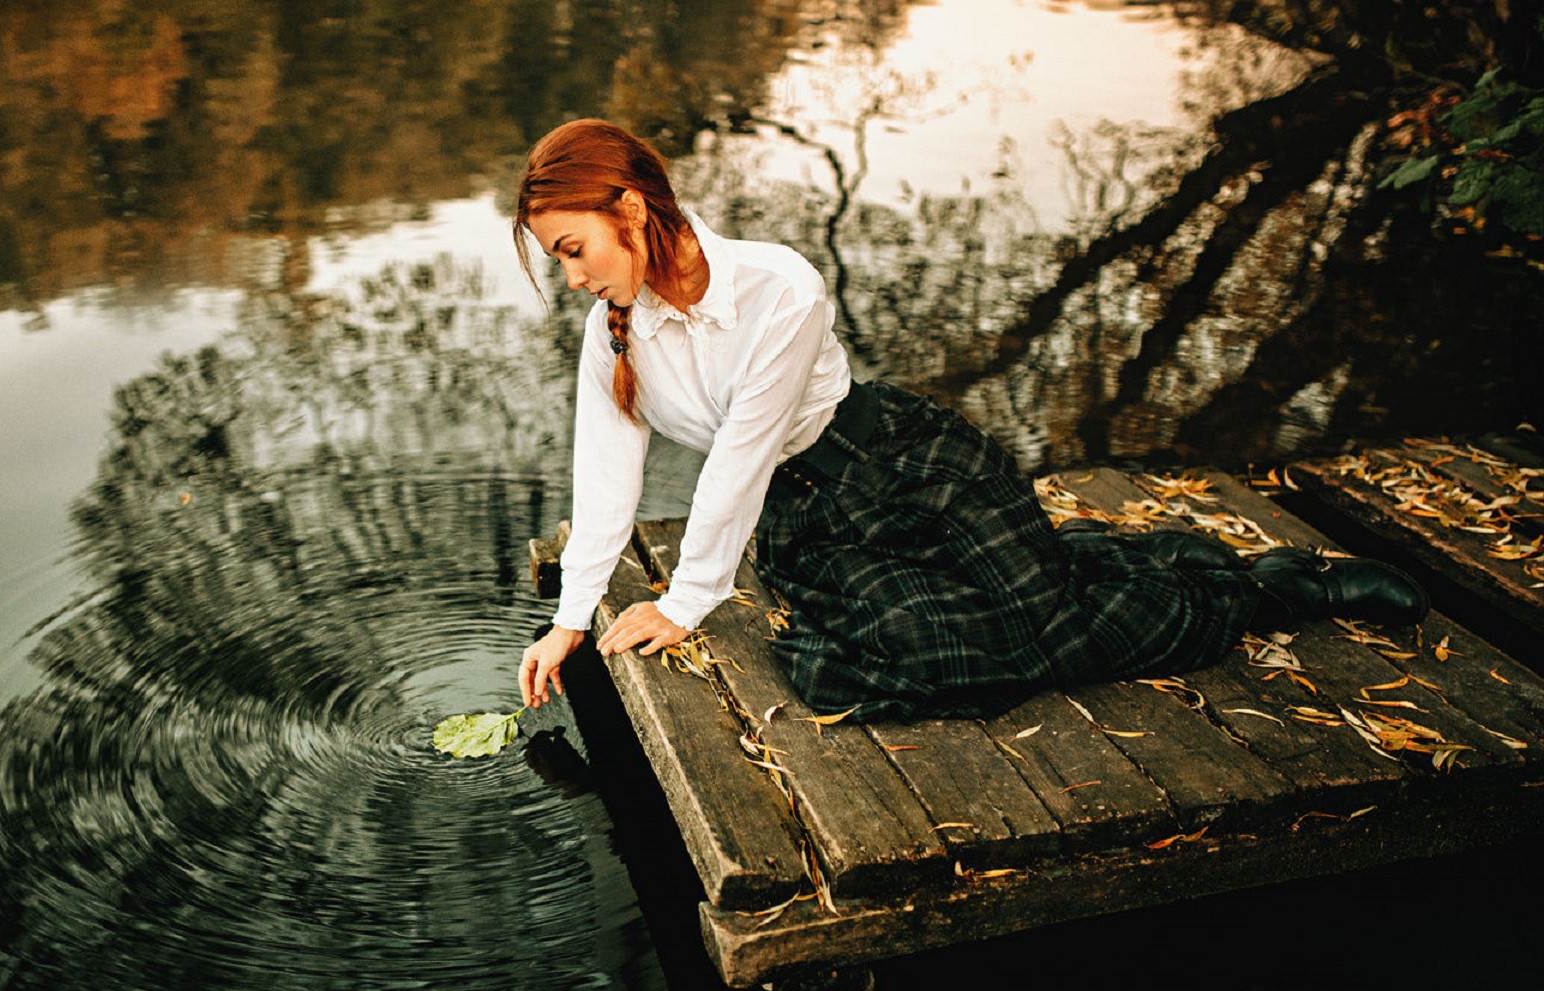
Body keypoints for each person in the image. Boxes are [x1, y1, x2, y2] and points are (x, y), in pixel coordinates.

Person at [512, 118, 1427, 725]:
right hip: (817, 520)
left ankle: (1281, 587)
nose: (576, 278)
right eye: (560, 259)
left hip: (905, 460)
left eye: (575, 248)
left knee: (1050, 621)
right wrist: (572, 618)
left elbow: (739, 459)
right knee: (942, 656)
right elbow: (607, 476)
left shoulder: (780, 287)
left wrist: (684, 601)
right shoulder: (613, 333)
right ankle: (1192, 573)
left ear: (630, 208)